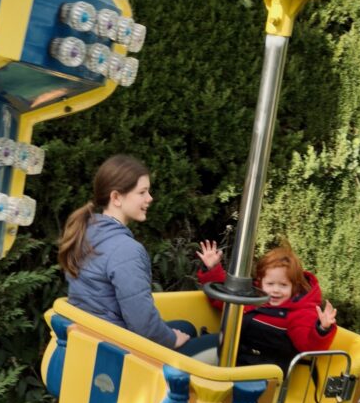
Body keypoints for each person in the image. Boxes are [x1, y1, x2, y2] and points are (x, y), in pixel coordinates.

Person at [59, 155, 216, 357]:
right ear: (116, 198)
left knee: (186, 327)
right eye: (142, 192)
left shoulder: (85, 233)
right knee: (217, 343)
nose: (149, 198)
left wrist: (171, 335)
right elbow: (143, 324)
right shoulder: (126, 249)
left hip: (95, 340)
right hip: (120, 353)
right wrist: (170, 339)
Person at [196, 241, 338, 373]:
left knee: (192, 356)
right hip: (234, 356)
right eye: (270, 284)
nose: (276, 290)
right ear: (261, 283)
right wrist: (213, 268)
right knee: (187, 335)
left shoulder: (299, 313)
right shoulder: (254, 299)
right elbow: (224, 301)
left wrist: (322, 329)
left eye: (283, 285)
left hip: (259, 371)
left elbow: (308, 346)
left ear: (294, 287)